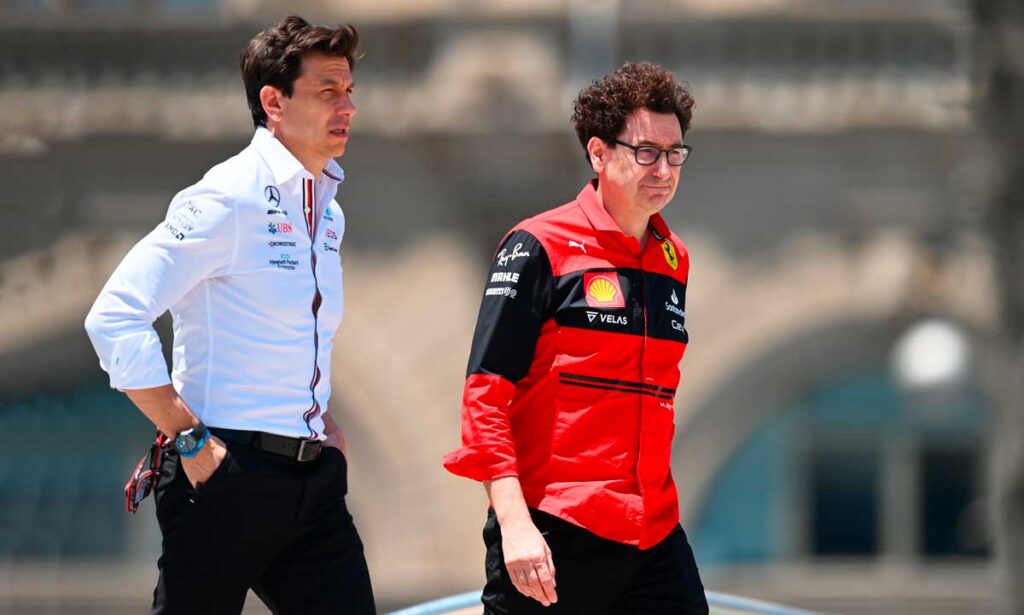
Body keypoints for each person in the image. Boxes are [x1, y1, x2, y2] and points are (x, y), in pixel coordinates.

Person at [84, 15, 375, 614]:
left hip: (313, 480)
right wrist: (188, 437)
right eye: (327, 91)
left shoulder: (328, 209)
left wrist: (325, 424)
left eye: (349, 89)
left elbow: (291, 335)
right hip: (222, 474)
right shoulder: (227, 196)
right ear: (274, 102)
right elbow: (114, 316)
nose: (347, 106)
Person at [443, 62, 709, 614]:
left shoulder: (673, 258)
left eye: (674, 153)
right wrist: (514, 523)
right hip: (554, 528)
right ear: (598, 153)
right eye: (646, 152)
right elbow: (486, 396)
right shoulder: (537, 245)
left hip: (654, 533)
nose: (663, 169)